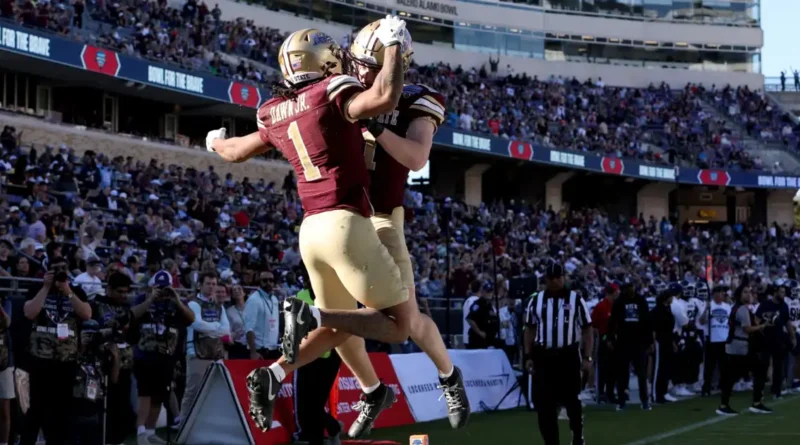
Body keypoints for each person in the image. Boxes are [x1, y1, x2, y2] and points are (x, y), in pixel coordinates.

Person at [208, 19, 415, 437]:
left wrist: (213, 142)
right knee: (398, 325)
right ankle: (307, 312)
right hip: (346, 224)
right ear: (325, 63)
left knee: (338, 328)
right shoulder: (332, 92)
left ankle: (273, 373)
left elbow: (235, 151)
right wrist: (392, 45)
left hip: (311, 232)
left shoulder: (275, 111)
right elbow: (384, 95)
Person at [349, 19, 469, 426]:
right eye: (358, 62)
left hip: (382, 217)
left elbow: (417, 158)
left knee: (407, 319)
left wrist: (376, 128)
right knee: (338, 313)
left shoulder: (417, 99)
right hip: (338, 217)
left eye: (370, 64)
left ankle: (450, 377)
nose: (359, 71)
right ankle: (370, 390)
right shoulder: (343, 88)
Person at [22, 256, 92, 445]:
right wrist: (46, 287)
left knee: (62, 410)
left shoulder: (76, 291)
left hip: (66, 361)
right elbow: (29, 312)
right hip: (39, 359)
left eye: (63, 268)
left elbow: (86, 314)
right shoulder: (38, 289)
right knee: (34, 407)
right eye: (56, 268)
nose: (60, 272)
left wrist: (68, 291)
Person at [523, 263, 593, 445]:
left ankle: (578, 436)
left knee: (572, 401)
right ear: (546, 279)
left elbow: (587, 329)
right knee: (545, 404)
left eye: (558, 277)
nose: (555, 281)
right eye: (551, 277)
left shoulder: (576, 299)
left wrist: (587, 357)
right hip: (543, 356)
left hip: (567, 355)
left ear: (564, 277)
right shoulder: (535, 300)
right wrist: (528, 355)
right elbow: (529, 329)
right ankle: (551, 441)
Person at [131, 271, 194, 445]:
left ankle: (150, 431)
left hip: (166, 356)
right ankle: (141, 432)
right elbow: (133, 314)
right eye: (159, 287)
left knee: (159, 394)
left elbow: (191, 318)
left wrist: (177, 299)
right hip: (144, 353)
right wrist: (150, 299)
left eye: (165, 287)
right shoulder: (142, 298)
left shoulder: (175, 303)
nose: (161, 291)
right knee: (145, 392)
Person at [292, 263, 343, 445]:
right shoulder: (301, 296)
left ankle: (327, 430)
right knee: (305, 405)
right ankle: (324, 432)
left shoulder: (334, 297)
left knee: (314, 405)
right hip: (306, 356)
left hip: (329, 358)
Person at [90, 272, 136, 444]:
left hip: (124, 364)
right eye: (119, 291)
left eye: (126, 292)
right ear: (109, 289)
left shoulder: (126, 307)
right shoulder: (96, 304)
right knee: (104, 407)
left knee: (122, 407)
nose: (123, 295)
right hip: (102, 365)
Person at [180, 272, 230, 425]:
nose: (211, 287)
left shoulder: (219, 306)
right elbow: (197, 324)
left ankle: (204, 424)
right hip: (196, 352)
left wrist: (212, 329)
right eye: (208, 283)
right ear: (200, 285)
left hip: (215, 353)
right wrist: (216, 328)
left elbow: (226, 330)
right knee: (192, 391)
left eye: (214, 284)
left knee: (213, 392)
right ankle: (184, 426)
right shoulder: (193, 303)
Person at [718, 284, 771, 415]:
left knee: (733, 377)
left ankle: (725, 405)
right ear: (739, 295)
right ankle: (755, 403)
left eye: (749, 292)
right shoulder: (741, 309)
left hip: (737, 347)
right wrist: (762, 326)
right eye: (745, 292)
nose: (749, 294)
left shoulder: (739, 308)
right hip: (740, 347)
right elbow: (747, 329)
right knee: (756, 373)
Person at [607, 282, 652, 410]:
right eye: (628, 288)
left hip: (639, 342)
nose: (631, 290)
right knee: (622, 373)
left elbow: (647, 322)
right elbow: (612, 321)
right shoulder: (619, 302)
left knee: (641, 374)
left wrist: (649, 341)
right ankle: (621, 401)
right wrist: (609, 338)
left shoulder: (641, 301)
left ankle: (645, 401)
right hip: (623, 342)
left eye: (632, 287)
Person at [755, 281, 796, 399]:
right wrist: (761, 328)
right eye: (781, 292)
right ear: (775, 292)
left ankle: (776, 391)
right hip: (765, 339)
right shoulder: (765, 304)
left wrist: (792, 336)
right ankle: (760, 391)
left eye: (784, 292)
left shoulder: (784, 306)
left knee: (779, 367)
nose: (784, 295)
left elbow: (787, 323)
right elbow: (756, 319)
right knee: (763, 366)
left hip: (779, 340)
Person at [699, 286, 731, 397]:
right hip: (711, 340)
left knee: (724, 366)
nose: (722, 295)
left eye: (723, 294)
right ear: (714, 295)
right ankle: (706, 388)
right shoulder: (708, 305)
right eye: (720, 293)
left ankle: (724, 386)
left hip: (723, 340)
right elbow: (701, 321)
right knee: (709, 367)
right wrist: (706, 311)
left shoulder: (727, 307)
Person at [652, 283, 680, 404]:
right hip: (659, 342)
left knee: (666, 368)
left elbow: (670, 329)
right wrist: (653, 342)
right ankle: (655, 394)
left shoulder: (667, 310)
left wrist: (673, 342)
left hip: (668, 341)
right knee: (658, 369)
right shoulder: (657, 311)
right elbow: (653, 329)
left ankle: (663, 392)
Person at [591, 283, 619, 404]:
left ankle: (610, 392)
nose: (617, 294)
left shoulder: (617, 306)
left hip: (616, 338)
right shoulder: (601, 307)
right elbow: (594, 325)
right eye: (615, 292)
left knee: (614, 368)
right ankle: (601, 393)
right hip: (604, 338)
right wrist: (605, 339)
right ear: (609, 293)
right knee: (603, 367)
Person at [244, 272, 281, 360]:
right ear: (259, 282)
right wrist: (253, 352)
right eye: (265, 280)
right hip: (259, 350)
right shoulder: (253, 300)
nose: (268, 283)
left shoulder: (274, 299)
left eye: (271, 280)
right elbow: (249, 328)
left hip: (273, 349)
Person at [465, 282, 499, 350]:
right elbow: (470, 319)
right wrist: (480, 332)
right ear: (483, 292)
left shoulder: (490, 305)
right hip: (478, 340)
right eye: (487, 292)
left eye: (491, 292)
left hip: (489, 341)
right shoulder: (478, 304)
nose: (489, 294)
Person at [226, 284, 249, 359]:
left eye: (239, 289)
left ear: (244, 293)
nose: (237, 291)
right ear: (232, 295)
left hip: (253, 345)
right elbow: (227, 332)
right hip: (238, 346)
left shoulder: (253, 308)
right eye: (234, 290)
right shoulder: (229, 311)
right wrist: (234, 334)